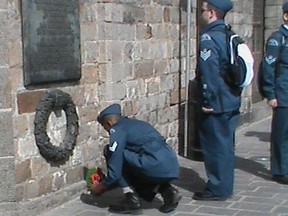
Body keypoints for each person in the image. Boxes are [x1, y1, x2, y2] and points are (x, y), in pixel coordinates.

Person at [90, 103, 182, 214]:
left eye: (105, 128)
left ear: (109, 123)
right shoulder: (138, 124)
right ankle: (168, 191)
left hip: (153, 164)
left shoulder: (117, 130)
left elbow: (115, 168)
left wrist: (101, 186)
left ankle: (130, 199)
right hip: (171, 164)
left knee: (110, 152)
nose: (108, 131)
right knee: (135, 161)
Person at [194, 0, 241, 201]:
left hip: (217, 102)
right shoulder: (229, 35)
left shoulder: (209, 37)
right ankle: (225, 185)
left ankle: (217, 189)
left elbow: (209, 73)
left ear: (212, 13)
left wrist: (208, 100)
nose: (201, 13)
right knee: (226, 146)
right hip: (230, 99)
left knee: (215, 147)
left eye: (203, 10)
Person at [261, 2, 288, 185]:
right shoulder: (278, 39)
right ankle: (280, 171)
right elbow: (268, 67)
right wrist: (270, 94)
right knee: (281, 134)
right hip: (283, 93)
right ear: (286, 16)